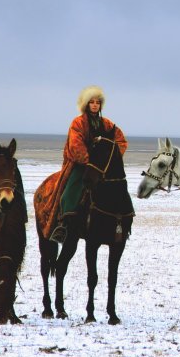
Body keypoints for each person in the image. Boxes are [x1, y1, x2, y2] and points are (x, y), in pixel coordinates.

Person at [44, 86, 128, 243]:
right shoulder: (78, 123)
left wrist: (111, 158)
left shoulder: (107, 124)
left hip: (100, 166)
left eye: (97, 102)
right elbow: (75, 144)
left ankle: (122, 219)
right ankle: (64, 223)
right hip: (82, 164)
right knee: (71, 190)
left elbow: (121, 141)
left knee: (118, 185)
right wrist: (89, 159)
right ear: (86, 105)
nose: (95, 105)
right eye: (92, 102)